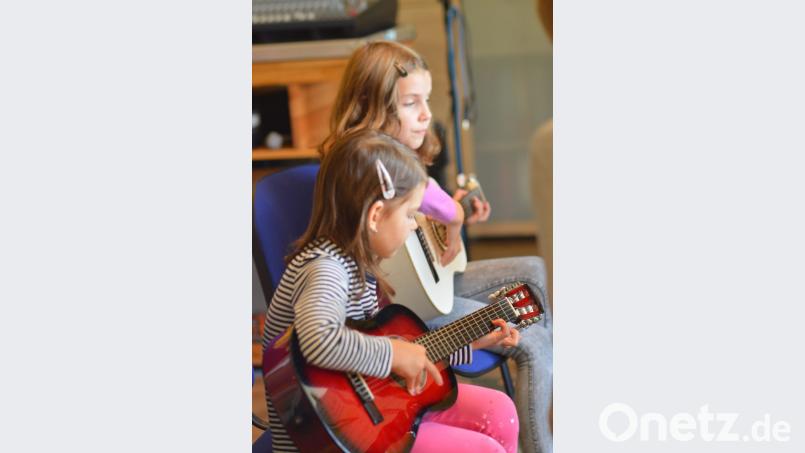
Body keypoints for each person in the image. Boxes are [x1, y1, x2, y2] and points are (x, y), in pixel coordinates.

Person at [319, 41, 553, 453]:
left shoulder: (397, 161)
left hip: (419, 295)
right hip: (406, 307)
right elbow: (430, 206)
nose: (427, 114)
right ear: (372, 106)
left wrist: (444, 221)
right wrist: (454, 217)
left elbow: (423, 213)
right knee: (531, 338)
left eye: (426, 100)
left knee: (533, 273)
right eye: (411, 103)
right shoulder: (366, 165)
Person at [262, 129, 521, 453]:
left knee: (500, 412)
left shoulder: (360, 266)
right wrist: (396, 354)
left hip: (378, 408)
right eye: (410, 214)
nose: (414, 225)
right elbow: (320, 340)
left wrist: (475, 341)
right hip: (332, 439)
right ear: (375, 215)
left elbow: (390, 353)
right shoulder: (326, 268)